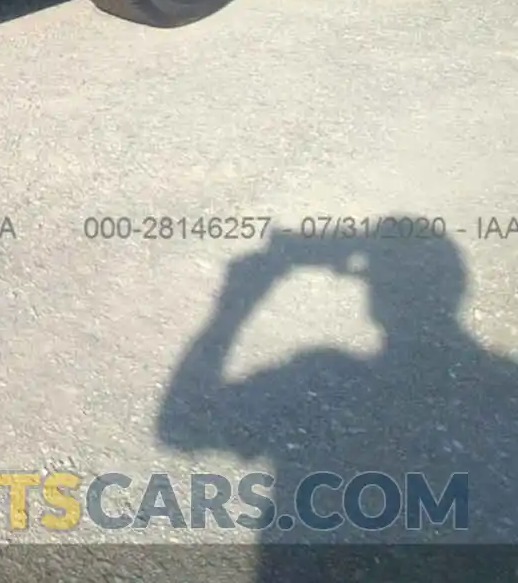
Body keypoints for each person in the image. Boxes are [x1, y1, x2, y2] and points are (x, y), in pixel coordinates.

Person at [158, 229, 518, 577]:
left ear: (376, 299)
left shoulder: (319, 382)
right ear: (456, 291)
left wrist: (235, 304)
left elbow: (181, 422)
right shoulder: (507, 390)